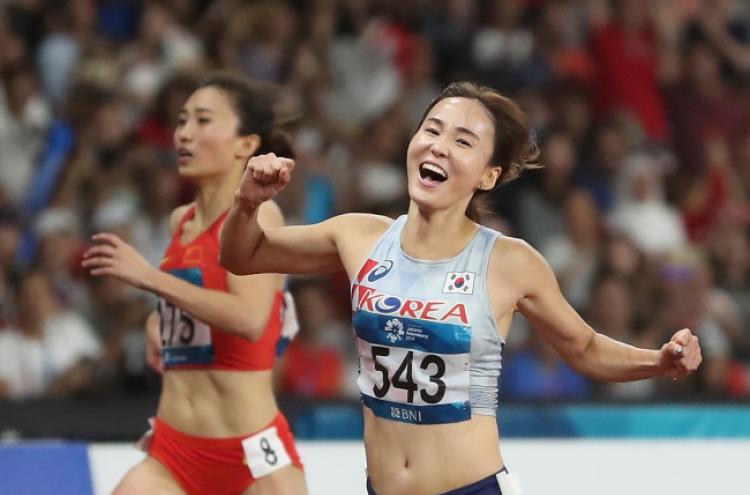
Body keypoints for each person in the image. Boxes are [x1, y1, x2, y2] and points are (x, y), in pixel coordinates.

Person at [218, 81, 702, 495]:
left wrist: (657, 362)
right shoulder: (357, 236)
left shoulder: (510, 262)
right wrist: (246, 204)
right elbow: (241, 255)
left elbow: (587, 348)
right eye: (431, 129)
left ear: (489, 175)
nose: (439, 146)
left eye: (463, 141)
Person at [82, 72, 308, 495]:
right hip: (174, 453)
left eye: (203, 121)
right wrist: (159, 321)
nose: (183, 133)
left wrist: (151, 280)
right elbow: (194, 296)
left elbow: (248, 317)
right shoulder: (179, 220)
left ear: (247, 145)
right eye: (181, 121)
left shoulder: (263, 218)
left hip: (251, 456)